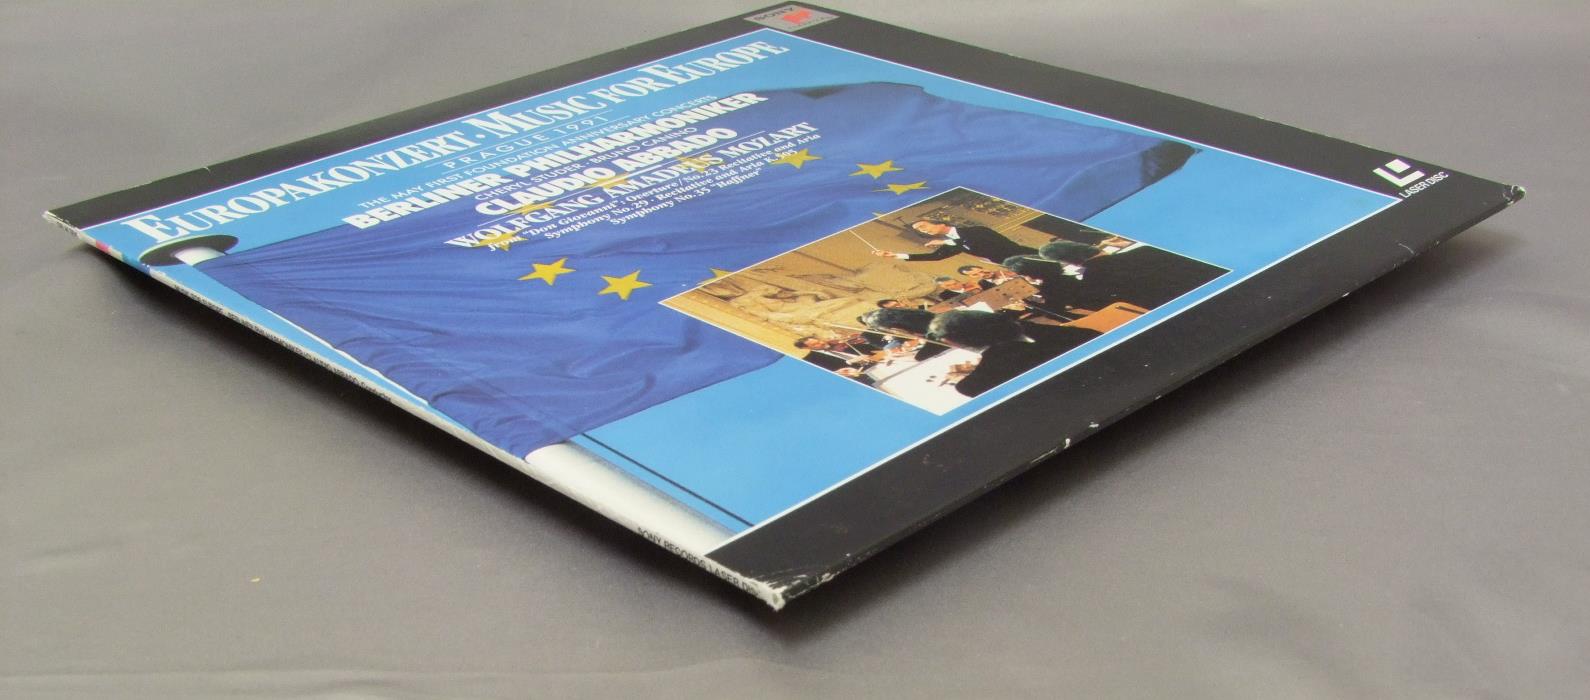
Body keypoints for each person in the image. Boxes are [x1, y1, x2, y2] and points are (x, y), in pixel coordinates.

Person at [871, 219, 1037, 263]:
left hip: (1028, 255)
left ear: (940, 223)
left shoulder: (975, 230)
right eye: (919, 230)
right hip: (1015, 264)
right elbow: (935, 257)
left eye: (923, 226)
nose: (923, 230)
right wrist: (895, 255)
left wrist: (946, 243)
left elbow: (980, 244)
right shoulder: (954, 241)